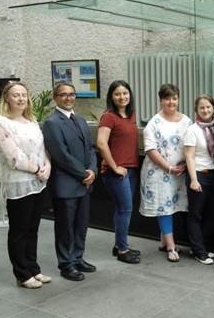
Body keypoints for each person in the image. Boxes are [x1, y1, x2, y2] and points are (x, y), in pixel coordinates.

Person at [0, 82, 52, 289]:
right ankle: (22, 274)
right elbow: (13, 156)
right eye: (16, 95)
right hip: (18, 184)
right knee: (19, 231)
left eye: (24, 95)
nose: (21, 98)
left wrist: (47, 167)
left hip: (38, 183)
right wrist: (38, 169)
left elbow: (42, 149)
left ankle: (33, 268)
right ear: (7, 99)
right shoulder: (1, 122)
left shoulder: (31, 121)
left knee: (33, 229)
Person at [43, 82, 97, 281]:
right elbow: (61, 155)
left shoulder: (80, 120)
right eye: (64, 95)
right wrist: (83, 174)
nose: (69, 98)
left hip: (85, 183)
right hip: (66, 184)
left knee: (81, 225)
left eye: (72, 94)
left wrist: (92, 170)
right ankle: (66, 264)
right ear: (55, 98)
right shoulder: (52, 123)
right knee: (65, 227)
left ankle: (78, 257)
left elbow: (91, 148)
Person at [139, 83, 191, 263]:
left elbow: (191, 145)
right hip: (159, 172)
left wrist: (185, 164)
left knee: (174, 206)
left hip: (180, 172)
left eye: (174, 98)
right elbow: (150, 149)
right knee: (164, 208)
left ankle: (164, 241)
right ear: (161, 100)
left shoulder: (186, 121)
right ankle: (171, 246)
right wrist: (168, 167)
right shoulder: (154, 123)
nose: (171, 102)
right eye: (167, 98)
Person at [96, 80, 141, 264]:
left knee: (121, 209)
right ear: (111, 97)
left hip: (131, 170)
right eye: (117, 94)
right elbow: (101, 143)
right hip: (116, 172)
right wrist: (114, 167)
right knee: (125, 209)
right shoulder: (108, 116)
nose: (122, 97)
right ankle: (123, 250)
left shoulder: (131, 115)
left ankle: (119, 245)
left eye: (125, 93)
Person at [184, 95, 214, 265]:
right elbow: (189, 156)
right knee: (196, 215)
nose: (205, 110)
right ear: (196, 110)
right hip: (199, 174)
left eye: (208, 107)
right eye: (201, 108)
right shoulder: (192, 130)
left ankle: (198, 246)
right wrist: (193, 180)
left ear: (213, 108)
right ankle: (199, 252)